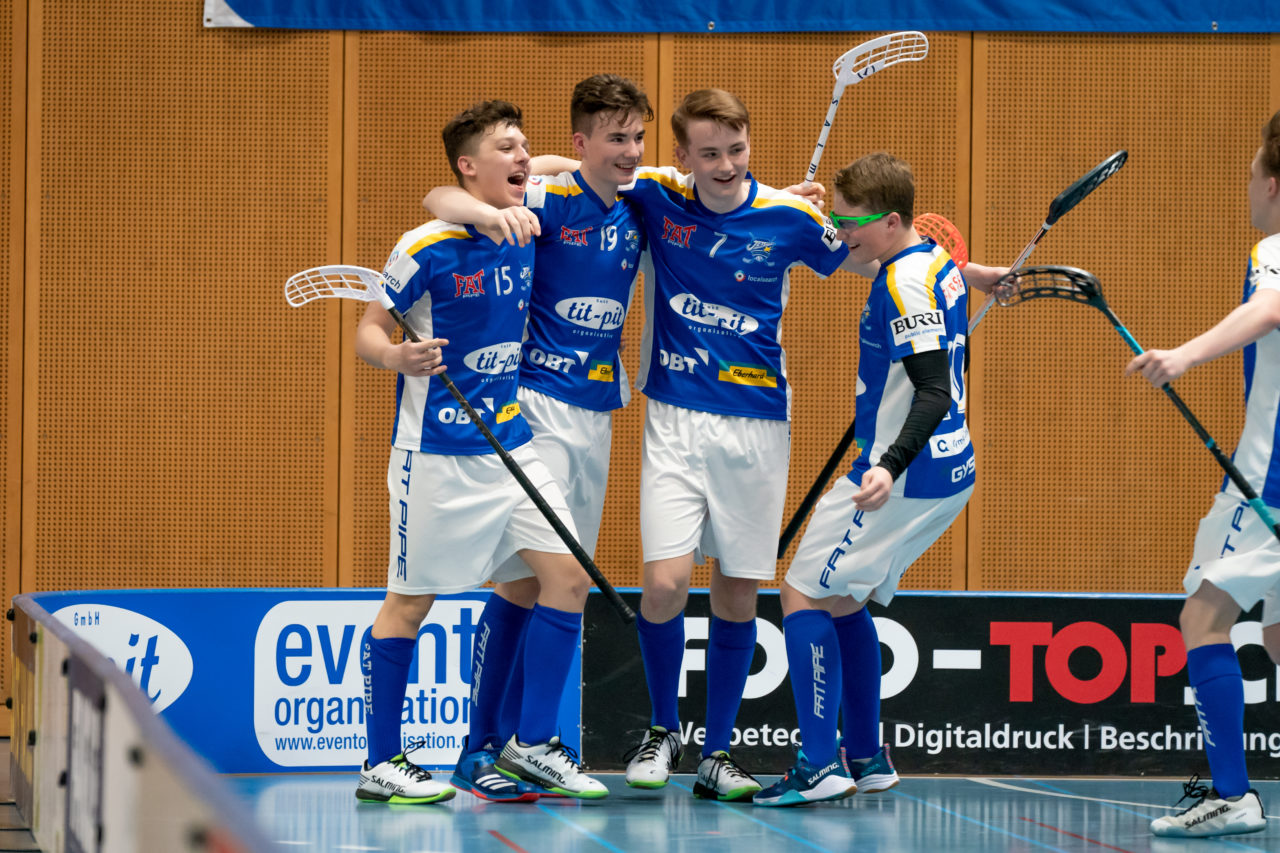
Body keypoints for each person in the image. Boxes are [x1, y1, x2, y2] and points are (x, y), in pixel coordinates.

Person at [354, 99, 608, 804]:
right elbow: (367, 330)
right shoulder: (424, 244)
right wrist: (396, 356)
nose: (525, 157)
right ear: (470, 166)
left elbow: (574, 164)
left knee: (565, 578)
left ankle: (526, 743)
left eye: (525, 146)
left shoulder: (530, 220)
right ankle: (381, 760)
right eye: (507, 148)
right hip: (434, 452)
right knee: (409, 604)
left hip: (512, 444)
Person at [420, 74, 652, 802]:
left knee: (537, 583)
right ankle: (521, 739)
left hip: (598, 415)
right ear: (581, 141)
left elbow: (722, 184)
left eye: (638, 137)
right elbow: (440, 199)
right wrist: (490, 219)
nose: (631, 150)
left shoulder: (646, 195)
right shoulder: (546, 196)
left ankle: (488, 746)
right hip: (536, 407)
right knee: (544, 579)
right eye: (615, 137)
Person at [754, 152, 978, 806]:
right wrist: (984, 274)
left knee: (800, 593)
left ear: (892, 221)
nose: (842, 230)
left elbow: (933, 390)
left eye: (852, 221)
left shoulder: (905, 283)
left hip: (904, 472)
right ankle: (867, 755)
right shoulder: (932, 259)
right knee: (844, 596)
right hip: (948, 468)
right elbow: (951, 280)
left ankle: (818, 764)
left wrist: (886, 465)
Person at [1124, 110, 1280, 838]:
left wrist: (1183, 356)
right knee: (1278, 636)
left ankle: (1233, 794)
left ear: (1274, 185)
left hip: (1267, 480)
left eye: (1250, 174)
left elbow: (1269, 307)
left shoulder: (1274, 246)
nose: (1246, 187)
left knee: (1203, 618)